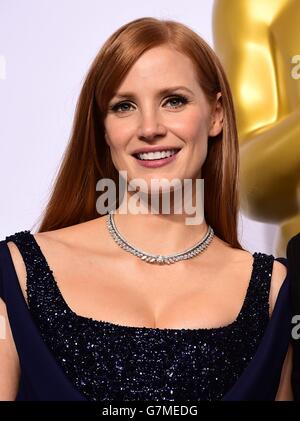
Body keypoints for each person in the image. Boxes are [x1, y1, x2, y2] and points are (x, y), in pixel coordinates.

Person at [0, 17, 294, 401]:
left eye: (174, 101)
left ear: (217, 114)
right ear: (104, 129)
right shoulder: (17, 273)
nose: (150, 127)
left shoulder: (273, 292)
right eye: (124, 106)